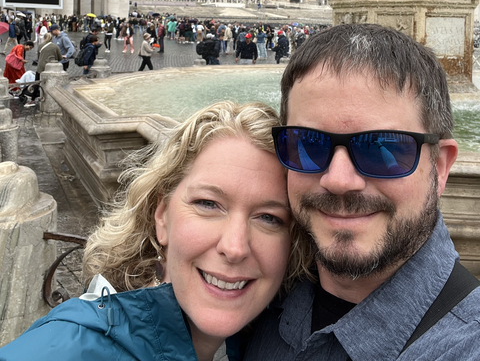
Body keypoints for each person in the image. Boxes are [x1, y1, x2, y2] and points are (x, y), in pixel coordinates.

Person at [0, 101, 311, 361]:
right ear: (161, 216)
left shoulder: (264, 342)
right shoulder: (62, 350)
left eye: (269, 218)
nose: (235, 246)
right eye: (208, 203)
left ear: (292, 244)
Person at [244, 23, 480, 361]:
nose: (339, 180)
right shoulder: (251, 296)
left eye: (382, 148)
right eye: (308, 145)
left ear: (440, 167)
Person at [29, 33, 63, 106]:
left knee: (37, 83)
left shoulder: (40, 46)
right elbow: (60, 58)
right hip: (51, 67)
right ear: (52, 39)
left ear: (44, 38)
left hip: (40, 67)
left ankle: (32, 99)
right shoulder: (55, 46)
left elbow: (39, 57)